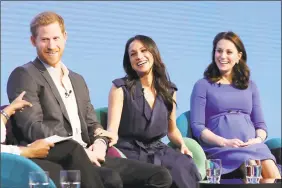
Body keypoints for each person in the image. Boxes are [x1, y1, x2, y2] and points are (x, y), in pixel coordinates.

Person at [6, 11, 172, 188]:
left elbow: (92, 123)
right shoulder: (24, 75)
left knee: (161, 176)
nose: (51, 45)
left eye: (56, 38)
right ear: (34, 41)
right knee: (110, 179)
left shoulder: (77, 80)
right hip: (58, 158)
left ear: (65, 37)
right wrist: (81, 152)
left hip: (91, 154)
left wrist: (100, 142)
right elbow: (33, 128)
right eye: (45, 39)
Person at [106, 35, 201, 188]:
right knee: (159, 174)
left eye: (144, 51)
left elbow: (172, 130)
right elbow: (112, 129)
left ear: (153, 54)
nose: (139, 56)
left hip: (157, 149)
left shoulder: (169, 90)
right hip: (130, 150)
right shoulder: (120, 87)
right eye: (133, 54)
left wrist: (182, 144)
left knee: (184, 165)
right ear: (129, 61)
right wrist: (104, 143)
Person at [190, 31, 281, 179]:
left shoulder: (251, 86)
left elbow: (261, 125)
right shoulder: (202, 85)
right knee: (252, 164)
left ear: (239, 56)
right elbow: (197, 127)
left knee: (269, 165)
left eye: (229, 52)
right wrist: (224, 142)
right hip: (220, 148)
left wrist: (256, 140)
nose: (222, 56)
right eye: (219, 51)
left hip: (252, 145)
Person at [1, 91, 110, 188]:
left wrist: (6, 112)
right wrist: (26, 151)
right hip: (11, 158)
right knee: (59, 169)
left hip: (14, 152)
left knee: (70, 149)